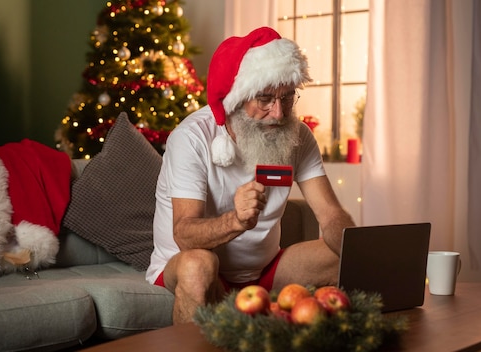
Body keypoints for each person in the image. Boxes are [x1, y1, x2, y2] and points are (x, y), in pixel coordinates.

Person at [145, 26, 356, 324]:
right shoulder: (191, 138)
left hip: (265, 271)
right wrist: (236, 220)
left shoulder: (297, 136)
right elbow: (184, 235)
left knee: (344, 258)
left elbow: (331, 215)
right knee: (198, 265)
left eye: (287, 98)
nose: (279, 113)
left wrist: (363, 251)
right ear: (237, 97)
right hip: (196, 266)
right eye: (265, 99)